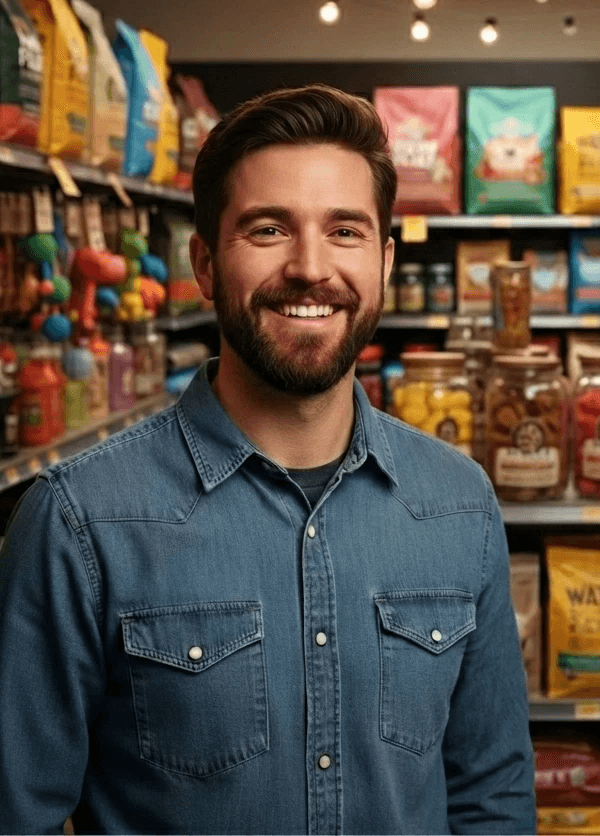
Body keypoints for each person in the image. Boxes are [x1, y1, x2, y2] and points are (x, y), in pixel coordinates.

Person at [0, 84, 535, 835]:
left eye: (345, 231)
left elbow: (492, 802)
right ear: (205, 263)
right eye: (268, 229)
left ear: (383, 260)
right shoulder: (80, 522)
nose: (311, 267)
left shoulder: (460, 505)